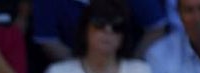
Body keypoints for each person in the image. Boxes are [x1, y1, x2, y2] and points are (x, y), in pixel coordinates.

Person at [32, 0, 167, 62]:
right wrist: (85, 72)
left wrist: (126, 69)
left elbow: (155, 29)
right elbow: (49, 41)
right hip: (73, 68)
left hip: (129, 62)